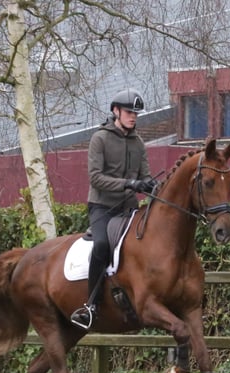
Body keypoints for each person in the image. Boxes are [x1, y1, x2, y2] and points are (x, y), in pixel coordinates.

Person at [70, 88, 156, 330]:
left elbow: (145, 176)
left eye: (136, 113)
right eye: (129, 112)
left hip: (129, 209)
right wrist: (129, 183)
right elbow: (96, 178)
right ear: (116, 111)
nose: (134, 117)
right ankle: (90, 306)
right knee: (102, 246)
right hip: (102, 207)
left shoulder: (138, 142)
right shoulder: (100, 139)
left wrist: (152, 186)